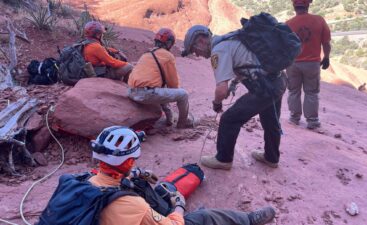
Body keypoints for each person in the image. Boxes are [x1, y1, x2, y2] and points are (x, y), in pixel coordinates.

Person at [89, 126, 276, 225]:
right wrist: (179, 206)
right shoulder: (134, 206)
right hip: (139, 215)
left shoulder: (86, 180)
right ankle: (248, 220)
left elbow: (112, 178)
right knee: (203, 216)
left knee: (165, 190)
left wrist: (138, 173)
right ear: (129, 161)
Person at [181, 25, 287, 169]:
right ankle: (271, 157)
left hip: (264, 88)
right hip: (279, 80)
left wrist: (216, 103)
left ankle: (223, 159)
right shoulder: (230, 39)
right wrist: (234, 84)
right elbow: (243, 61)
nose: (197, 54)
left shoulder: (218, 50)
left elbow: (221, 89)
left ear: (200, 41)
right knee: (270, 121)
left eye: (194, 50)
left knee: (229, 119)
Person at [128, 28, 194, 129]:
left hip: (131, 93)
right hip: (146, 94)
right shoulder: (167, 56)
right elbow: (173, 85)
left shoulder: (146, 54)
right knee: (183, 95)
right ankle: (182, 124)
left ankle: (169, 118)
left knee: (159, 88)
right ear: (169, 43)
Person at [286, 0, 332, 129]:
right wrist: (327, 57)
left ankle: (294, 118)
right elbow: (326, 43)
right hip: (312, 63)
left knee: (293, 91)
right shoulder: (319, 20)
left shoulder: (288, 24)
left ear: (294, 6)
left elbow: (284, 46)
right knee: (311, 92)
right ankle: (312, 121)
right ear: (308, 5)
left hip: (293, 63)